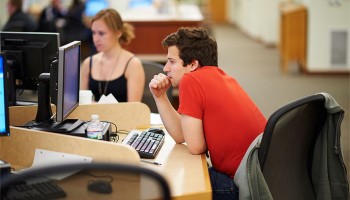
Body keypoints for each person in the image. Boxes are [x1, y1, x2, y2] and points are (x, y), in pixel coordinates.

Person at [149, 27, 267, 200]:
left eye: (172, 61)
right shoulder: (220, 76)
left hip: (240, 186)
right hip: (258, 178)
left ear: (192, 64)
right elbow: (183, 135)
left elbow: (196, 147)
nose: (166, 68)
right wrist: (160, 97)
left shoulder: (191, 80)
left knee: (172, 184)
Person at [80, 8, 145, 102]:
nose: (96, 39)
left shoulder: (133, 64)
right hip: (92, 116)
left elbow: (133, 110)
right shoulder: (88, 63)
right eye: (93, 33)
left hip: (123, 116)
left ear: (118, 33)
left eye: (102, 33)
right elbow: (82, 104)